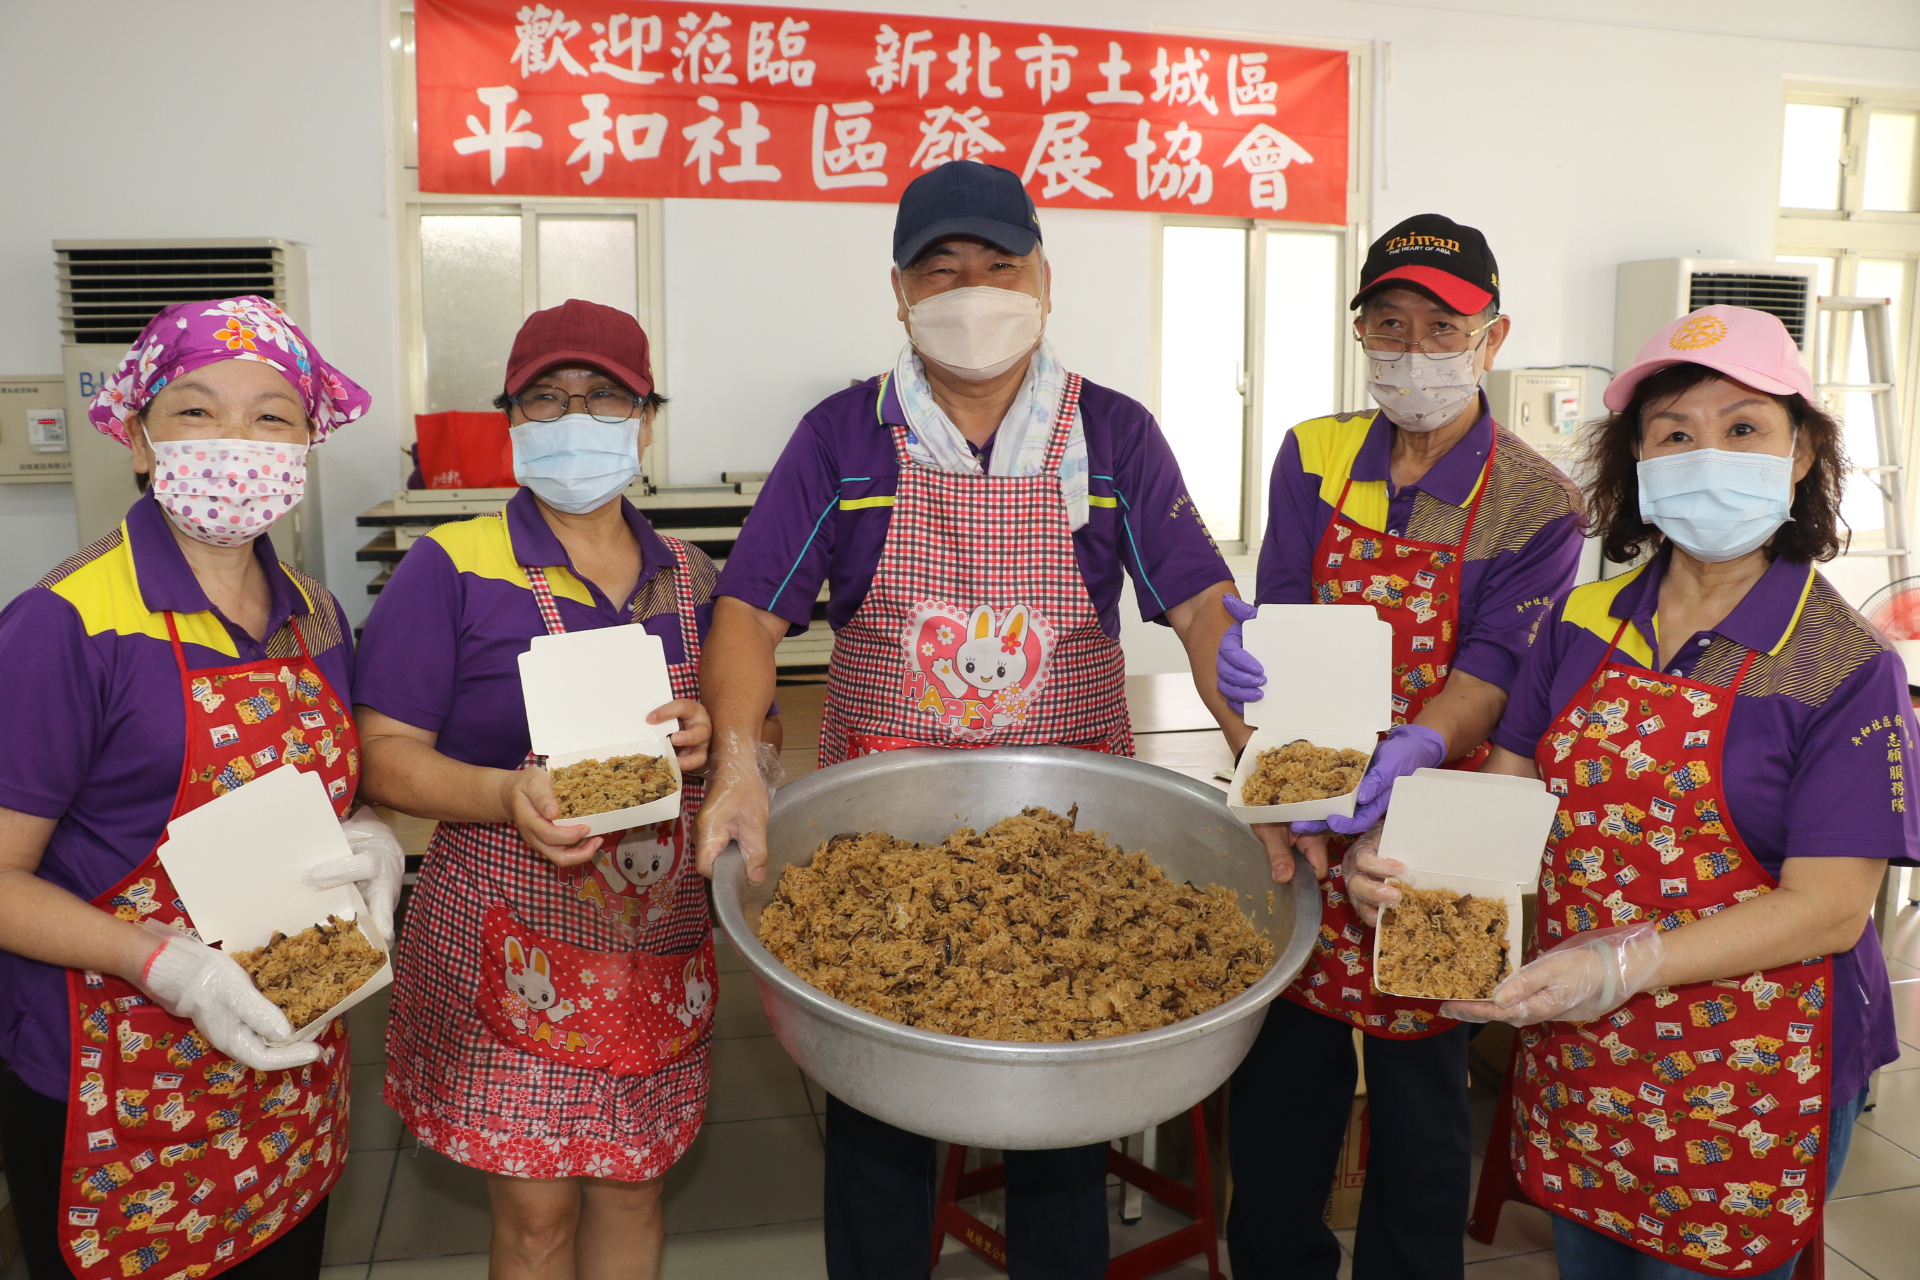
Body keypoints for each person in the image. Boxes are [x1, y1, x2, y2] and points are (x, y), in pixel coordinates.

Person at [694, 160, 1244, 1280]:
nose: (974, 289)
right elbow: (750, 610)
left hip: (1069, 844)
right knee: (879, 1122)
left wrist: (1266, 756)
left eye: (1001, 264)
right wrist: (740, 770)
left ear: (1046, 275)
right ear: (898, 292)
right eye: (942, 269)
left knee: (1059, 1123)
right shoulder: (846, 436)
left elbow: (1197, 603)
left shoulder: (1115, 435)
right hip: (879, 839)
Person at [1347, 304, 1909, 1279]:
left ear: (1803, 449)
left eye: (1744, 428)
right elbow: (1509, 792)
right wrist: (1404, 869)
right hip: (1586, 1044)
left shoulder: (1842, 663)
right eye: (1675, 432)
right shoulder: (1582, 620)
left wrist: (1621, 966)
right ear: (1638, 461)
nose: (1708, 453)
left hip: (1756, 1063)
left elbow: (1828, 908)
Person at [354, 299, 777, 1280]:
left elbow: (757, 737)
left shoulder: (696, 576)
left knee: (634, 1182)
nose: (572, 417)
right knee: (537, 1209)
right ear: (513, 418)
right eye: (545, 398)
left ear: (646, 419)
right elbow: (381, 754)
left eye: (601, 397)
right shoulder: (452, 565)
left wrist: (723, 739)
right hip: (508, 932)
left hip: (655, 941)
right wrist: (507, 793)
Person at [1219, 215, 1586, 1280]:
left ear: (1492, 334)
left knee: (1424, 1111)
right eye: (1390, 321)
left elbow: (1493, 666)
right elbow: (1287, 610)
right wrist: (1258, 675)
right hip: (1313, 807)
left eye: (1442, 324)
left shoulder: (1536, 499)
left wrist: (1411, 750)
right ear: (1360, 332)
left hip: (1448, 825)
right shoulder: (1316, 452)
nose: (1413, 347)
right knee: (1284, 1090)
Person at [0, 297, 396, 1280]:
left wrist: (375, 830)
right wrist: (169, 966)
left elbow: (329, 783)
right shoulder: (68, 623)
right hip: (115, 1071)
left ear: (307, 443)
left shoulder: (314, 611)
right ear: (138, 440)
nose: (237, 438)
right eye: (194, 410)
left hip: (288, 1050)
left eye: (272, 416)